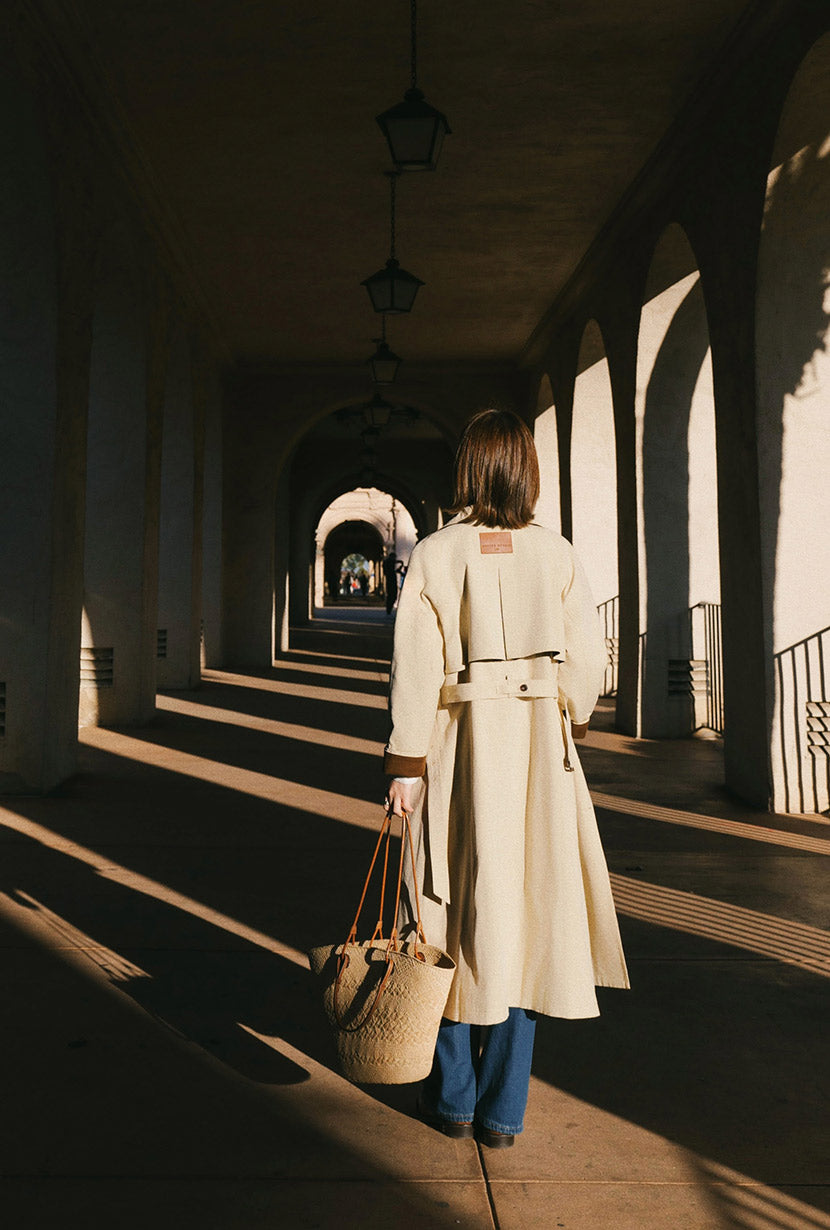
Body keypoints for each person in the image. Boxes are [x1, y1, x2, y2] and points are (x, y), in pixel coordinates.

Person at [384, 409, 629, 1149]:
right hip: (537, 754)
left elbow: (414, 669)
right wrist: (570, 719)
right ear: (525, 468)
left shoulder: (435, 553)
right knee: (529, 921)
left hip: (458, 749)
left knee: (446, 916)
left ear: (468, 468)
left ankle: (453, 1097)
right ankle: (502, 1113)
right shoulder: (556, 554)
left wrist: (406, 763)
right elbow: (589, 667)